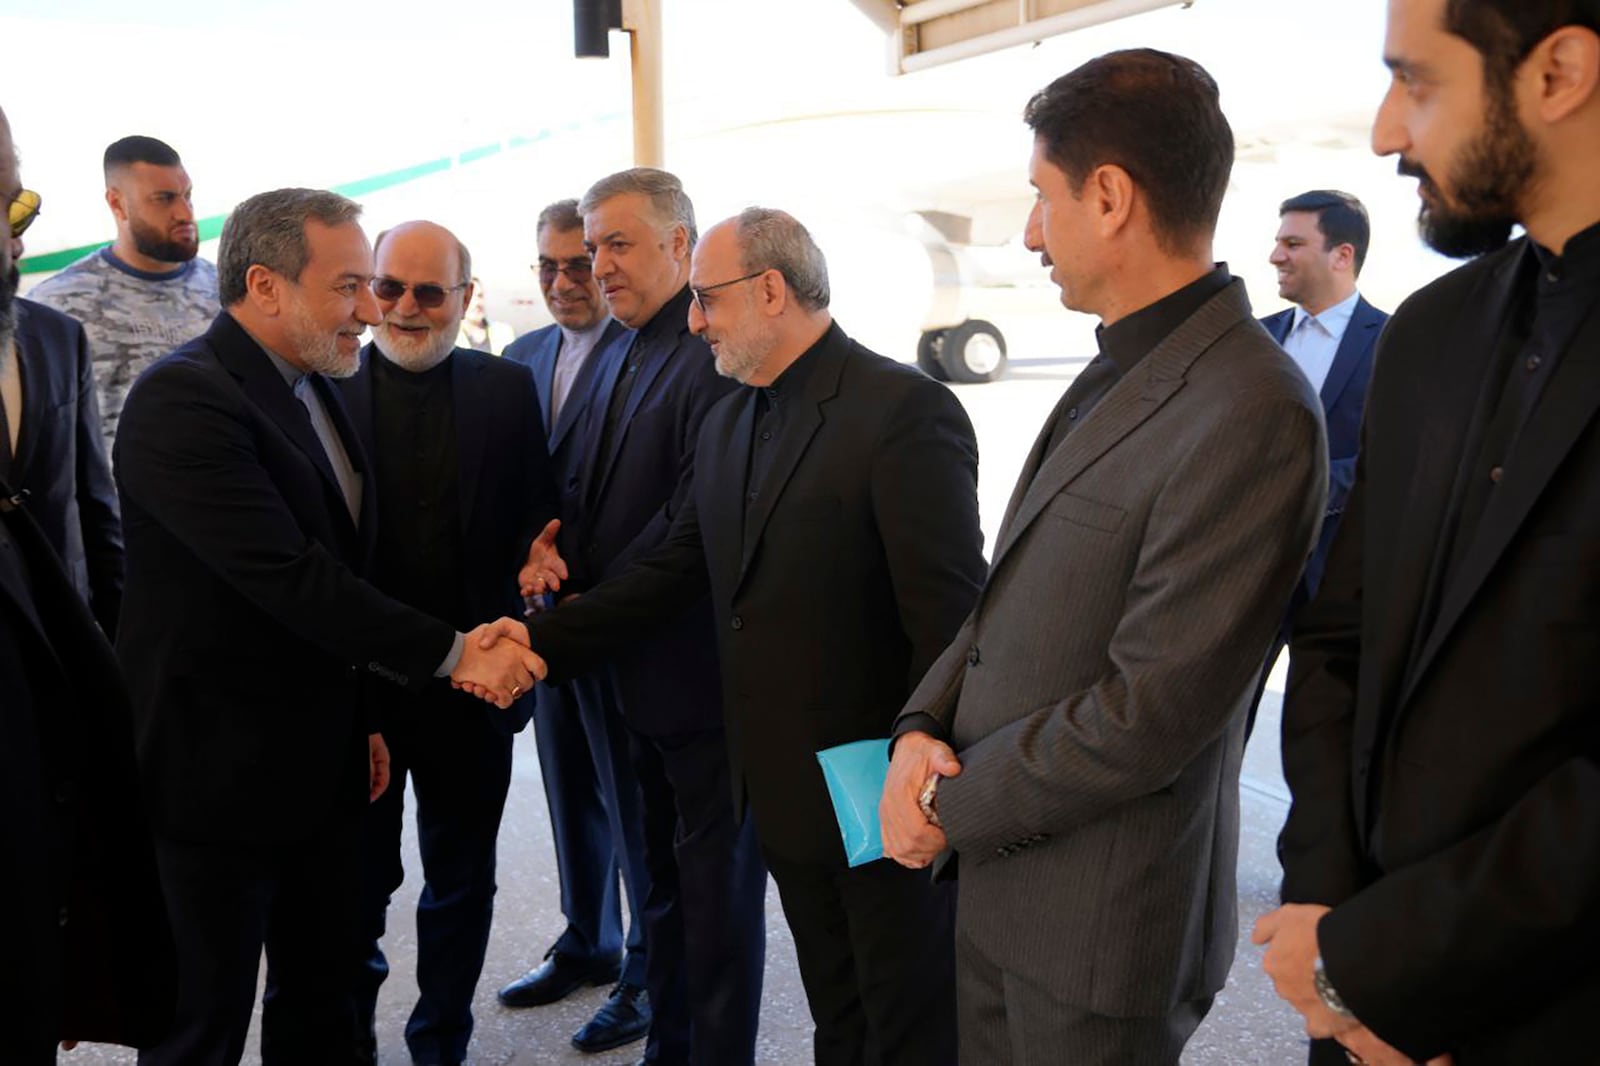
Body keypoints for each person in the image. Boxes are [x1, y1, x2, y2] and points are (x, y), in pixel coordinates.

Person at [878, 50, 1327, 1065]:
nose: (1029, 231)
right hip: (1003, 891)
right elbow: (1007, 602)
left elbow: (1149, 712)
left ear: (1111, 197)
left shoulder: (1248, 408)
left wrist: (947, 803)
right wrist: (918, 726)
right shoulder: (1120, 361)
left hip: (1100, 932)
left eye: (1041, 197)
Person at [510, 206, 985, 1065]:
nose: (694, 322)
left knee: (908, 1023)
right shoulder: (729, 416)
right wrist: (543, 643)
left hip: (877, 789)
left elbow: (953, 623)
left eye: (707, 300)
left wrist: (922, 776)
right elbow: (672, 565)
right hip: (776, 795)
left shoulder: (903, 411)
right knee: (838, 1014)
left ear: (772, 290)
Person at [113, 186, 542, 1066]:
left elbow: (347, 567)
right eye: (351, 287)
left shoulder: (315, 387)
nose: (369, 312)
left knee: (324, 1006)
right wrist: (459, 651)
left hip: (327, 763)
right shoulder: (183, 399)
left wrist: (365, 721)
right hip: (219, 781)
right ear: (266, 286)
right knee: (205, 1024)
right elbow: (290, 579)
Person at [1257, 1, 1600, 1063]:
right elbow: (1337, 638)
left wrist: (1390, 959)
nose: (1383, 132)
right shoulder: (1432, 330)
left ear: (1558, 74)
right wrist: (1324, 912)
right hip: (1354, 986)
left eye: (1417, 81)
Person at [520, 167, 765, 1066]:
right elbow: (585, 495)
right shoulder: (620, 347)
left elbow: (690, 535)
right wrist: (548, 554)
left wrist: (557, 631)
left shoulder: (710, 352)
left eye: (617, 244)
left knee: (710, 903)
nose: (599, 266)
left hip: (695, 687)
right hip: (623, 677)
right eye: (593, 247)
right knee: (658, 887)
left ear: (678, 244)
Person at [339, 221, 560, 1066]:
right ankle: (349, 1041)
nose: (405, 308)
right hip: (365, 691)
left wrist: (539, 561)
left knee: (462, 881)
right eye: (389, 287)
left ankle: (442, 1044)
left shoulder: (506, 390)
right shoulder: (328, 385)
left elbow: (533, 521)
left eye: (430, 292)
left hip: (474, 689)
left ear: (465, 300)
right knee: (359, 887)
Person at [0, 100, 175, 1066]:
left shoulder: (51, 338)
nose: (15, 220)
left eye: (18, 197)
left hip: (54, 722)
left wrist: (126, 690)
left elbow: (95, 531)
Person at [498, 199, 652, 1055]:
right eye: (549, 267)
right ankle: (586, 939)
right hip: (540, 621)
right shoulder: (520, 357)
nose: (564, 282)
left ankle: (644, 969)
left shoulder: (650, 349)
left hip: (623, 619)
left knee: (632, 804)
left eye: (578, 264)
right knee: (567, 790)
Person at [1247, 190, 1388, 739]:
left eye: (1293, 243)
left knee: (1326, 735)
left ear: (1341, 255)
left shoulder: (1393, 341)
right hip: (1250, 569)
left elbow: (1392, 456)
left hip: (1336, 577)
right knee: (1219, 732)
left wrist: (1305, 490)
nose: (1276, 255)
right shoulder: (1255, 337)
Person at [26, 135, 218, 446]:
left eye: (188, 195)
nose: (185, 213)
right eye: (164, 198)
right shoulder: (58, 304)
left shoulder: (226, 292)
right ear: (117, 203)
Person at [3, 192, 122, 633]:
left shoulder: (59, 336)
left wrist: (115, 626)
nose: (17, 243)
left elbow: (93, 497)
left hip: (64, 621)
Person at [455, 276, 515, 354]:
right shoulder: (452, 337)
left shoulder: (504, 332)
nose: (477, 303)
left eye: (480, 296)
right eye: (471, 297)